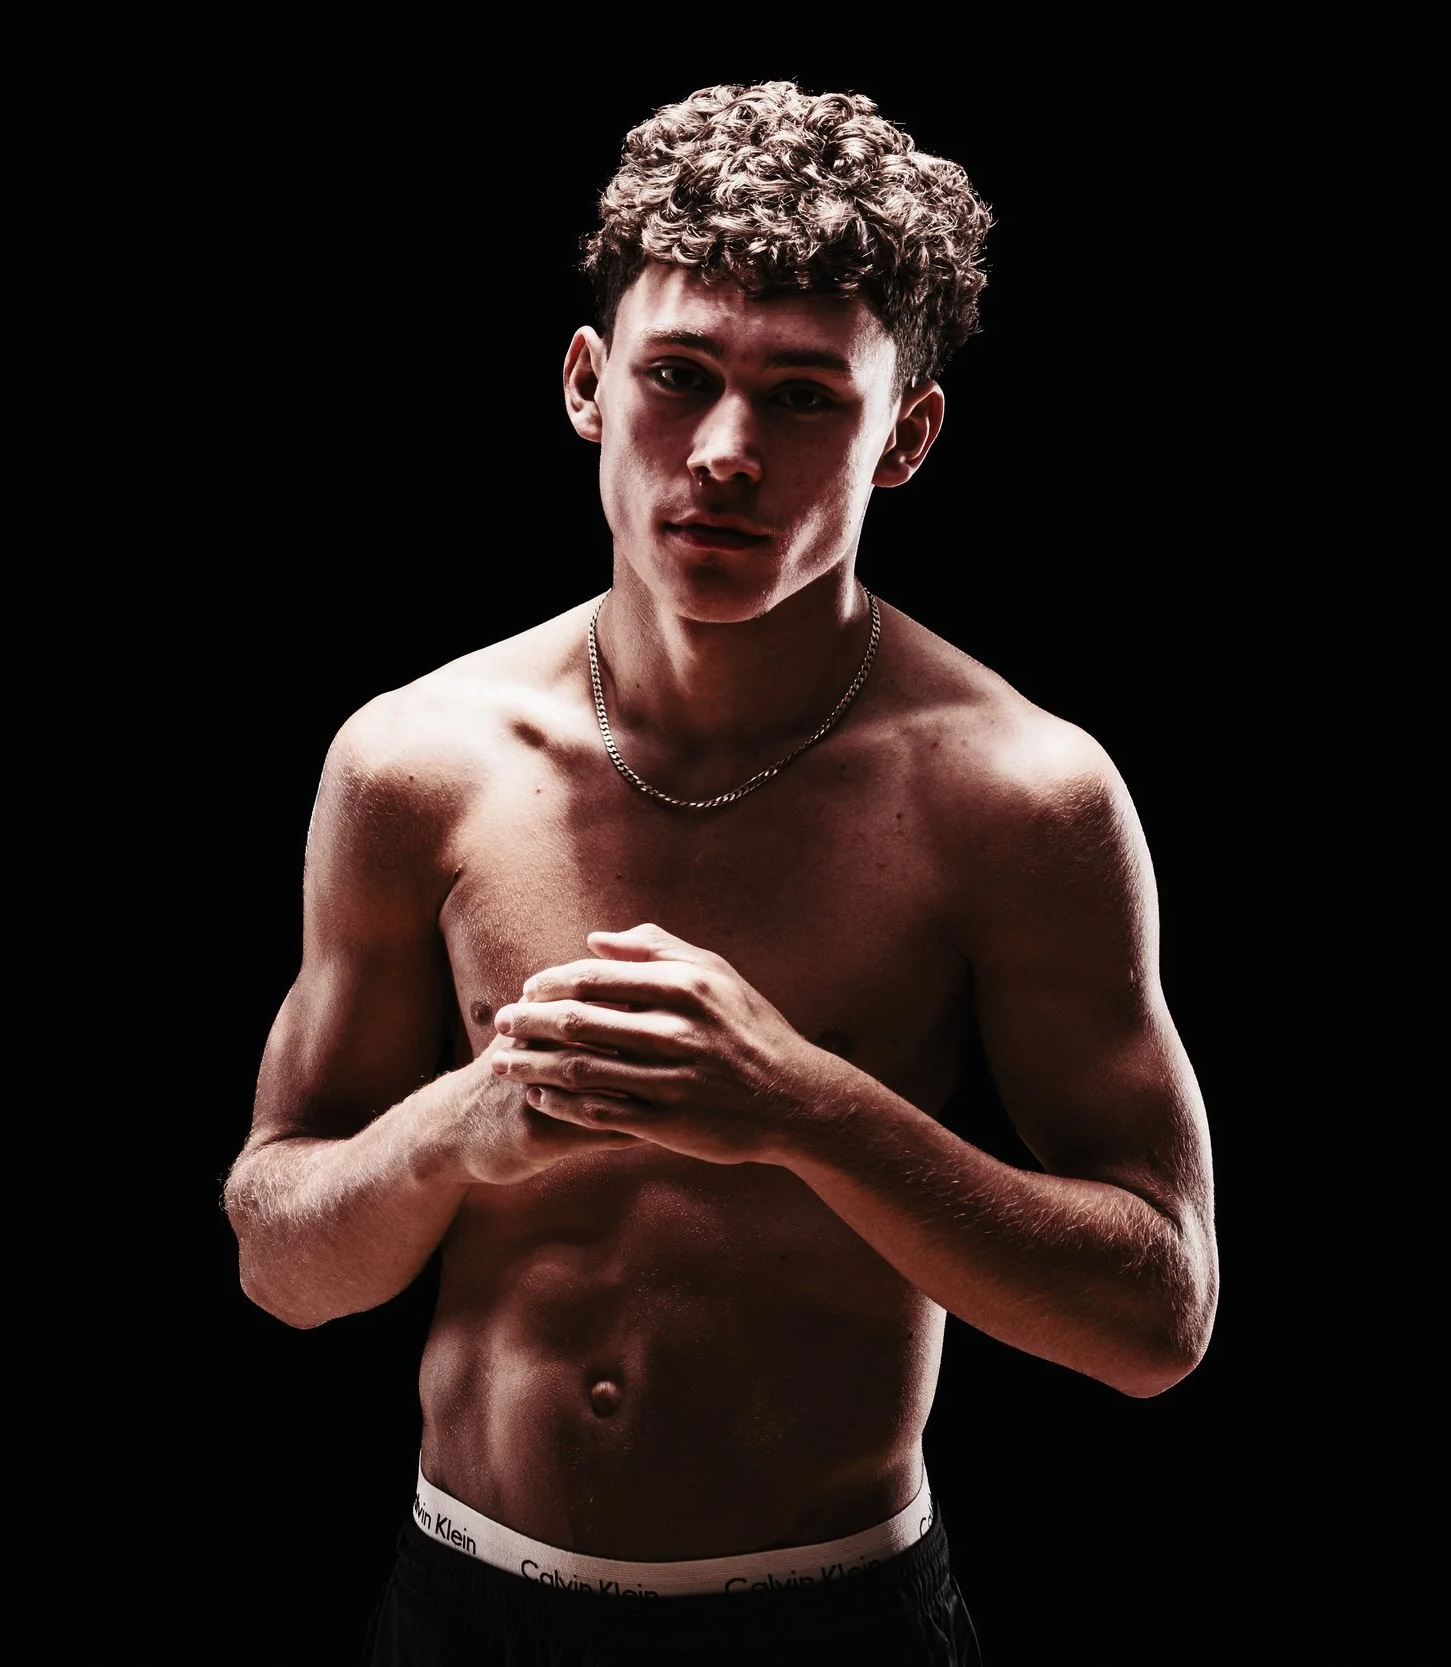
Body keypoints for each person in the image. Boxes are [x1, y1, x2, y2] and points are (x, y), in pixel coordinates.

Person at [219, 78, 1219, 1665]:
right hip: (466, 1604)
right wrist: (461, 1126)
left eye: (807, 397)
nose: (728, 452)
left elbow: (1159, 1315)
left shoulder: (1016, 797)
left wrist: (804, 1108)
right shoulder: (416, 763)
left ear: (906, 436)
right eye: (679, 377)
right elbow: (280, 1261)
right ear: (587, 384)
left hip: (836, 1619)